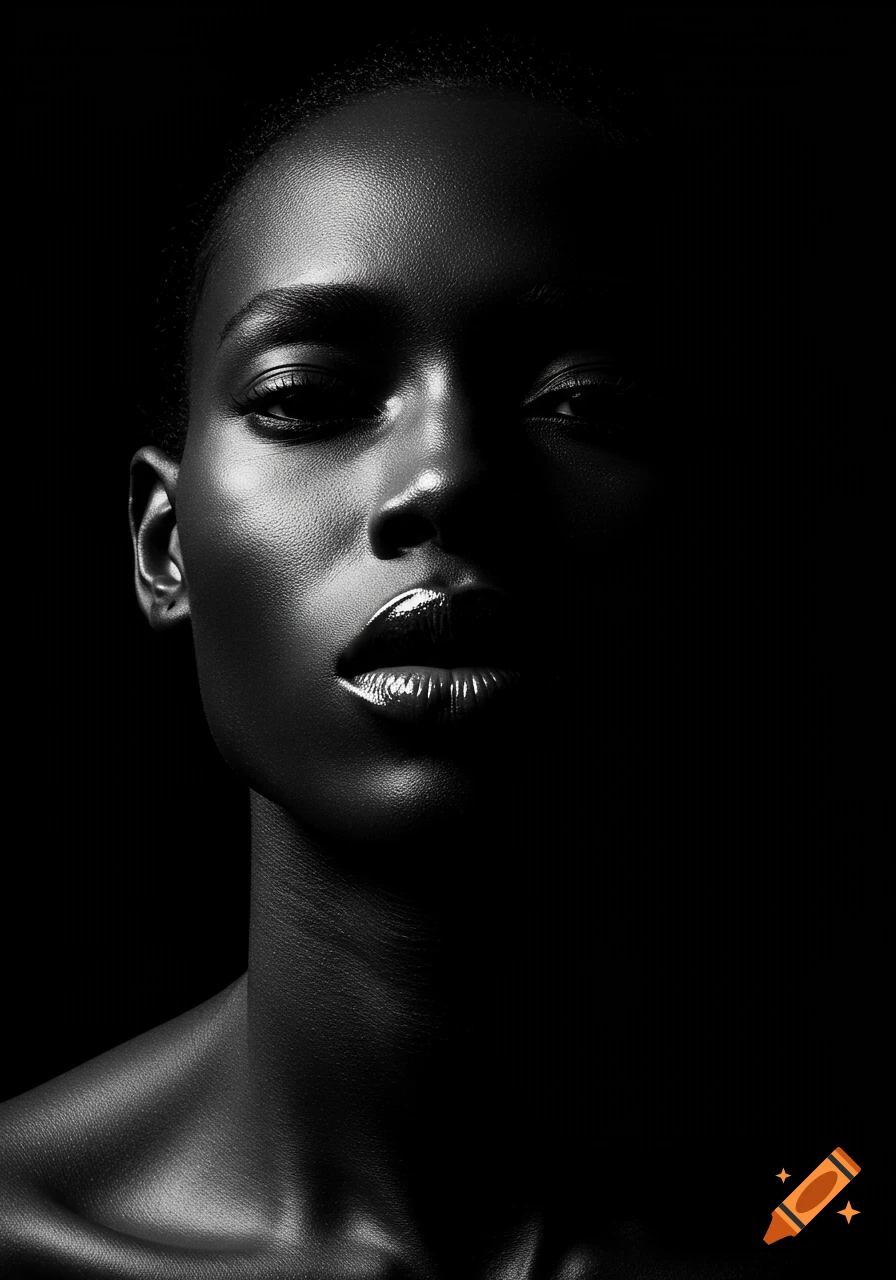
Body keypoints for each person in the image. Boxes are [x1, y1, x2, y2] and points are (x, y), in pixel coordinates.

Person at [0, 41, 819, 1279]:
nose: (444, 478)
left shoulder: (822, 1207)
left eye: (582, 399)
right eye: (304, 395)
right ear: (164, 545)